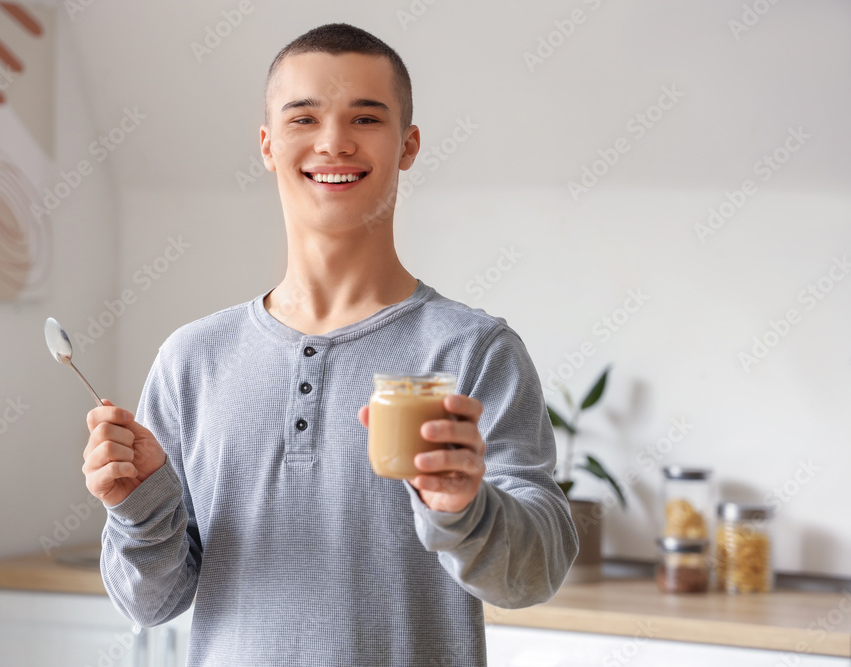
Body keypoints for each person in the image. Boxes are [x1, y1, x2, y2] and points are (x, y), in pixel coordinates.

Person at [82, 22, 578, 667]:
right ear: (267, 145)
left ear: (409, 144)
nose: (334, 142)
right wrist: (139, 505)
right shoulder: (192, 358)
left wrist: (464, 505)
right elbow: (149, 604)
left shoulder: (473, 350)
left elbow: (532, 579)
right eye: (303, 118)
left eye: (366, 118)